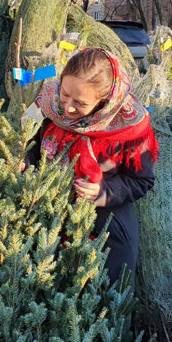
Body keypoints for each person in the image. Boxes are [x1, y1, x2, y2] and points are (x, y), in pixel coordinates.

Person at [28, 48, 158, 285]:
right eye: (65, 94)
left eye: (80, 103)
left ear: (104, 101)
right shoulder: (46, 105)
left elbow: (142, 181)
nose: (66, 108)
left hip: (105, 232)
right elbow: (30, 148)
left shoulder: (128, 127)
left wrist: (102, 192)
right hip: (45, 225)